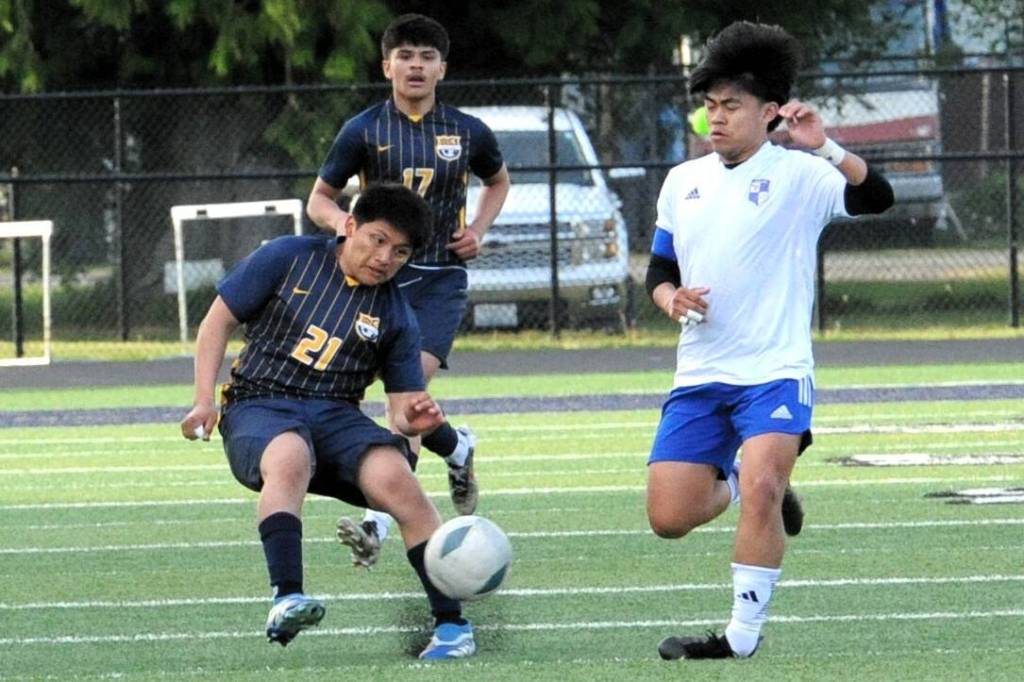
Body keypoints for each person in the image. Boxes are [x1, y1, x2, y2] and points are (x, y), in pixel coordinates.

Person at [644, 22, 894, 661]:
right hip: (701, 371)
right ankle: (744, 472)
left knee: (762, 489)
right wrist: (670, 299)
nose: (716, 118)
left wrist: (829, 146)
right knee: (669, 517)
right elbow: (659, 270)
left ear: (770, 112)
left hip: (776, 370)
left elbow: (877, 197)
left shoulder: (801, 174)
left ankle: (740, 638)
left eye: (731, 106)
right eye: (710, 106)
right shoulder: (682, 181)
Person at [180, 184, 478, 659]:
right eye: (378, 240)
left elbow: (402, 405)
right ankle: (286, 596)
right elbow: (217, 321)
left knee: (399, 482)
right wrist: (202, 400)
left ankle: (452, 626)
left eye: (400, 252)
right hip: (261, 402)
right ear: (351, 226)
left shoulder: (396, 312)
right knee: (289, 455)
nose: (385, 258)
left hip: (338, 413)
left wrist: (416, 414)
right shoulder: (288, 257)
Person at [306, 13, 511, 567]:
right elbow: (319, 200)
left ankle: (376, 521)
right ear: (387, 65)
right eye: (405, 55)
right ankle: (458, 447)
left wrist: (478, 231)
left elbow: (498, 181)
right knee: (395, 404)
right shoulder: (363, 130)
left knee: (404, 397)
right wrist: (347, 229)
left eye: (426, 56)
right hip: (379, 280)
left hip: (439, 279)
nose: (415, 65)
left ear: (442, 68)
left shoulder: (468, 131)